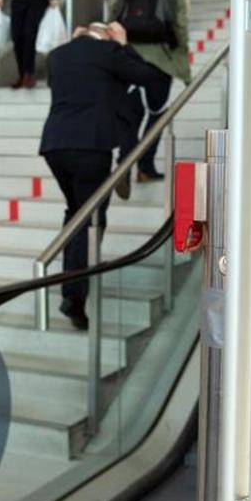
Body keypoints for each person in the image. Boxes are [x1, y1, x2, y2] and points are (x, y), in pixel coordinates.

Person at [39, 22, 165, 329]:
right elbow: (147, 76)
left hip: (55, 144)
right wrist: (123, 45)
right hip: (91, 145)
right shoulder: (108, 50)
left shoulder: (58, 55)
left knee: (76, 214)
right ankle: (75, 295)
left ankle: (74, 283)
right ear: (107, 34)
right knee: (90, 219)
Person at [107, 0, 191, 190]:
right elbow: (180, 24)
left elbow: (112, 13)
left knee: (132, 116)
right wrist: (182, 57)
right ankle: (145, 167)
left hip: (128, 56)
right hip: (160, 61)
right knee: (156, 115)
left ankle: (123, 163)